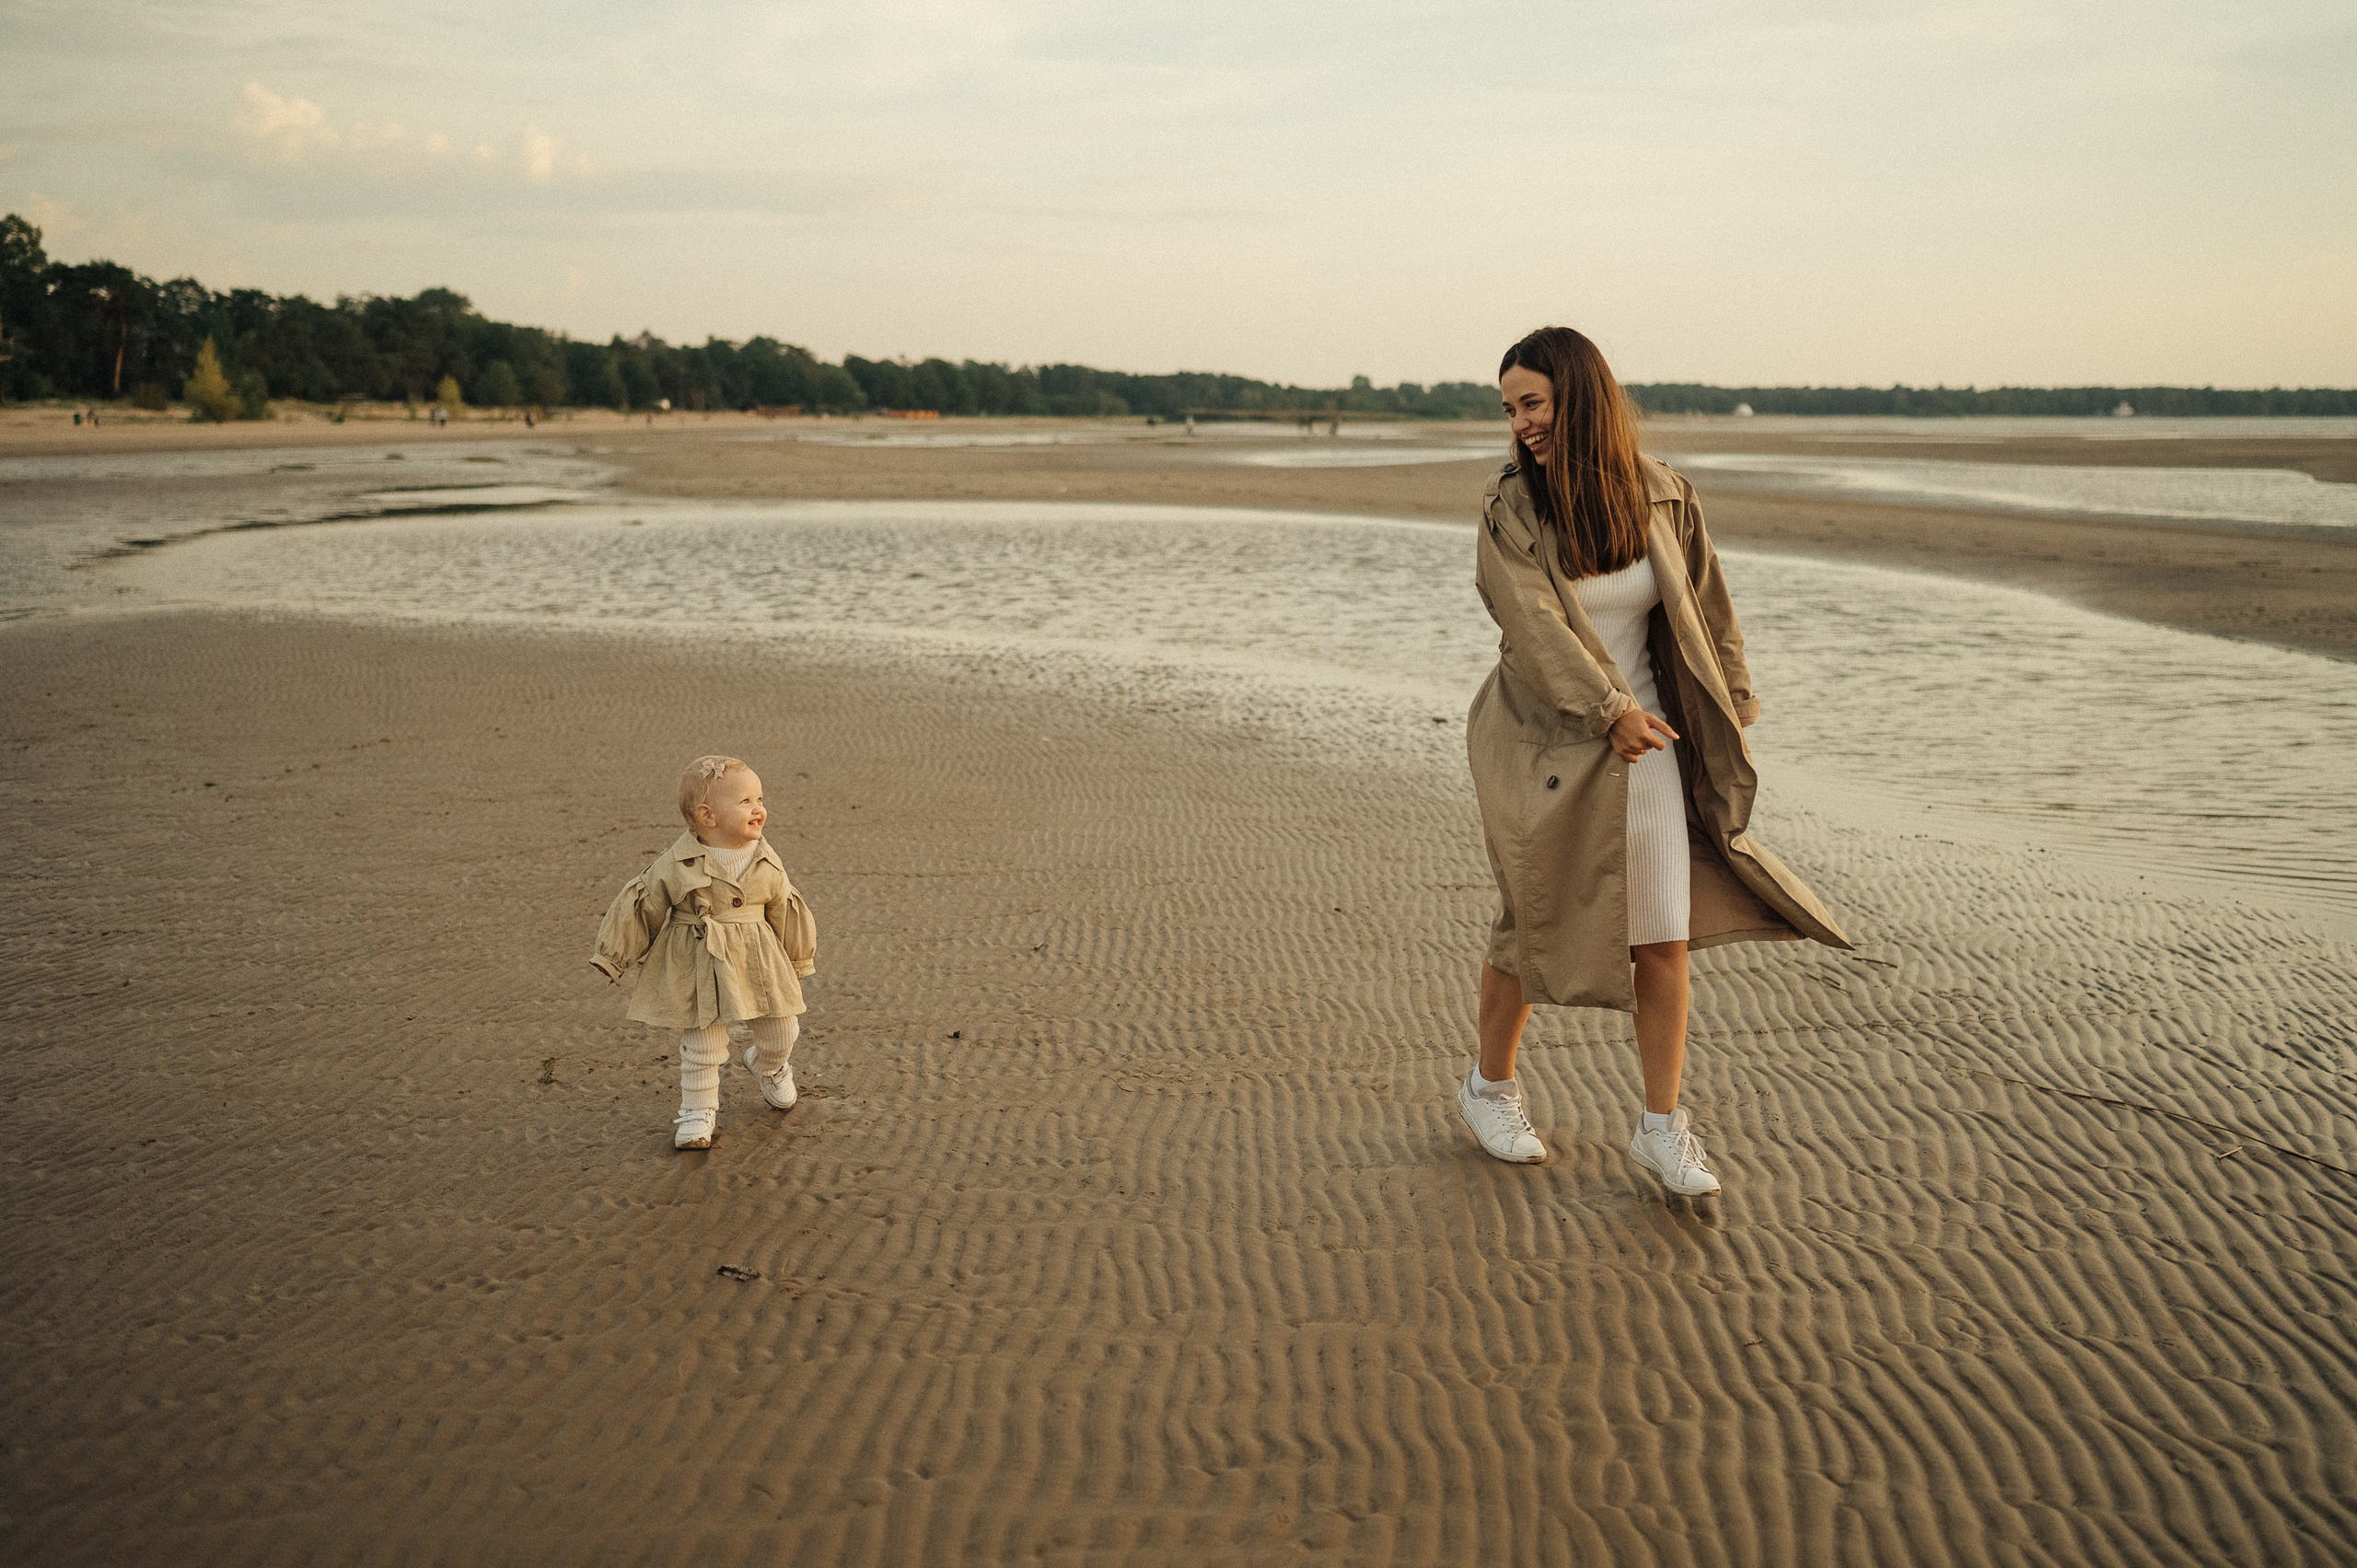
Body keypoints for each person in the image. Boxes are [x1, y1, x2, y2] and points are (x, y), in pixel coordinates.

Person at [1458, 326, 1850, 1196]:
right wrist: (1609, 711)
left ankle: (1662, 1128)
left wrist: (1735, 701)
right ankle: (1489, 1088)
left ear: (1581, 396)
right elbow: (1535, 628)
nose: (1521, 423)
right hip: (1547, 742)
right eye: (1511, 409)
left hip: (1650, 746)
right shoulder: (1509, 509)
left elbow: (1710, 605)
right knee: (1532, 920)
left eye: (1533, 402)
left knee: (1663, 940)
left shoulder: (1662, 495)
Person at [591, 755, 819, 1149]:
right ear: (707, 815)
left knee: (782, 1028)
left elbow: (786, 909)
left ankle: (770, 1065)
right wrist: (614, 956)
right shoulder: (676, 863)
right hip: (697, 958)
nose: (759, 809)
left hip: (758, 961)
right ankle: (697, 1112)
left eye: (760, 798)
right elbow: (644, 905)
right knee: (704, 1044)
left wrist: (798, 958)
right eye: (745, 801)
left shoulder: (766, 859)